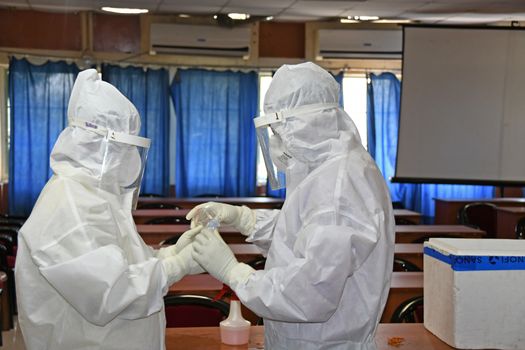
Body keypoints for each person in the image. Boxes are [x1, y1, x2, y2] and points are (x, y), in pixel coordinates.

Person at [188, 62, 395, 350]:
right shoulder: (329, 170)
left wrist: (235, 273)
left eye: (277, 130)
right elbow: (303, 236)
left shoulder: (339, 186)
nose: (275, 142)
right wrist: (243, 218)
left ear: (304, 123)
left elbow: (308, 294)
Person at [15, 69, 203, 350]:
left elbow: (120, 262)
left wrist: (168, 254)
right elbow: (112, 294)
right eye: (124, 147)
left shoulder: (93, 195)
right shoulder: (70, 204)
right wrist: (178, 265)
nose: (130, 159)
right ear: (98, 144)